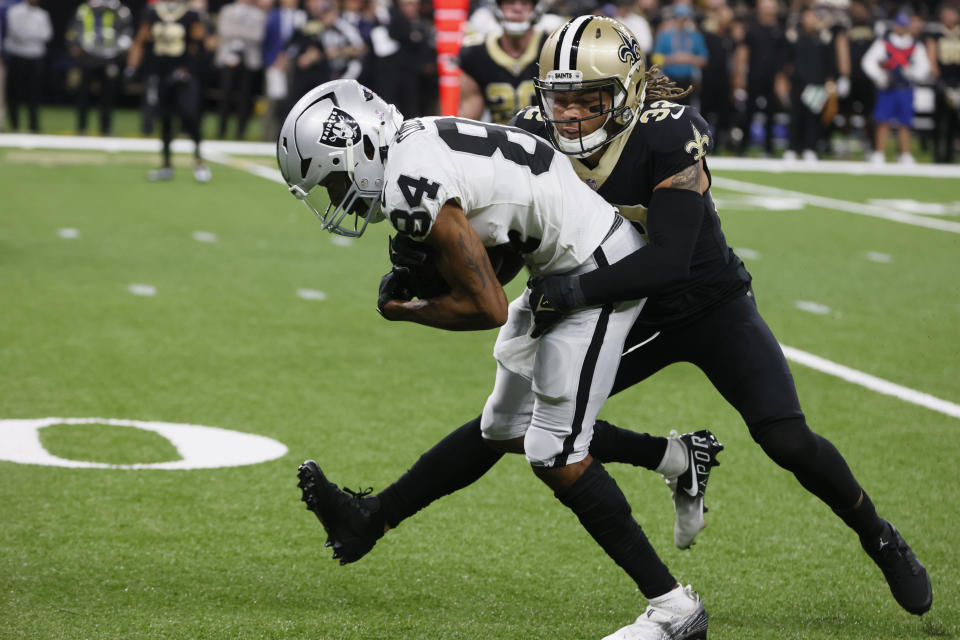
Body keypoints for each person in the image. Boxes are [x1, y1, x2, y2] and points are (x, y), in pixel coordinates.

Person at [288, 13, 934, 628]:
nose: (567, 113)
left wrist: (566, 295)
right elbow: (514, 246)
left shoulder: (668, 128)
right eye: (558, 98)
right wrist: (444, 264)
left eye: (587, 98)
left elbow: (671, 261)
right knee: (510, 425)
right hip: (607, 299)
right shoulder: (535, 130)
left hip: (702, 301)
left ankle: (879, 536)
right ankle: (378, 517)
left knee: (786, 439)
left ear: (624, 90)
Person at [279, 69, 714, 640]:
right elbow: (509, 225)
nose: (338, 198)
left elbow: (487, 306)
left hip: (597, 269)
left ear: (357, 146)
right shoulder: (417, 137)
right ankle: (371, 520)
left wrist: (409, 311)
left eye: (333, 182)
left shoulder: (408, 185)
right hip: (561, 259)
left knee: (554, 451)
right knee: (503, 425)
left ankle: (673, 607)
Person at [126, 0, 211, 182]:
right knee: (164, 118)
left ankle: (199, 162)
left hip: (183, 74)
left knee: (190, 116)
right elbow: (141, 40)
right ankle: (166, 165)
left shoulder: (191, 15)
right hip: (161, 72)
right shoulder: (152, 13)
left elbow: (199, 45)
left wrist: (187, 68)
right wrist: (132, 65)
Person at [457, 0, 548, 123]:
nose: (517, 9)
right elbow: (469, 120)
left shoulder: (552, 46)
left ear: (536, 7)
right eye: (509, 2)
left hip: (546, 139)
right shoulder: (476, 53)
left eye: (525, 3)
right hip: (499, 140)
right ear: (496, 5)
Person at [861, 11, 930, 164]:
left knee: (905, 122)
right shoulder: (884, 43)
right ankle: (879, 152)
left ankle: (905, 153)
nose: (900, 28)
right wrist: (880, 76)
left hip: (905, 88)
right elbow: (868, 62)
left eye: (903, 26)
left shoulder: (915, 45)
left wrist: (913, 73)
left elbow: (924, 67)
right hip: (887, 88)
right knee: (883, 121)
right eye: (898, 25)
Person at [66, 0, 134, 136]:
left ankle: (106, 128)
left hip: (109, 57)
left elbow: (127, 30)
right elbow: (73, 29)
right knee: (83, 94)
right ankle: (81, 127)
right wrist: (72, 44)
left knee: (107, 96)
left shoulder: (118, 10)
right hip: (88, 57)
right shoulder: (84, 9)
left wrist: (120, 48)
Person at [734, 0, 788, 156]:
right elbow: (743, 51)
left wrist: (781, 78)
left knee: (771, 112)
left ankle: (769, 147)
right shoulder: (752, 28)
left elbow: (784, 55)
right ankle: (743, 146)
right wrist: (740, 74)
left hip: (773, 77)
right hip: (754, 76)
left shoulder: (780, 28)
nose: (768, 8)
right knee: (749, 110)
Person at [782, 8, 836, 161]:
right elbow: (787, 60)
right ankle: (793, 147)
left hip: (816, 84)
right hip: (798, 82)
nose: (810, 20)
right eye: (807, 17)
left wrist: (830, 81)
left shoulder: (824, 39)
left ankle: (810, 147)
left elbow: (830, 62)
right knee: (795, 116)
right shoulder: (795, 37)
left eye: (813, 17)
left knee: (812, 117)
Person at [214, 0, 267, 140]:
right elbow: (223, 31)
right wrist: (243, 32)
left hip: (249, 60)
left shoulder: (258, 14)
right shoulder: (227, 10)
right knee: (225, 95)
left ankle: (240, 132)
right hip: (228, 58)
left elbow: (258, 36)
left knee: (245, 97)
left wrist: (237, 31)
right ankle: (221, 131)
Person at [3, 0, 50, 133]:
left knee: (34, 93)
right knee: (14, 92)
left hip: (35, 57)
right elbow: (16, 33)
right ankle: (14, 125)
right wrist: (34, 36)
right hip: (17, 56)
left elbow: (47, 34)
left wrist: (31, 36)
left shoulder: (43, 14)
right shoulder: (14, 11)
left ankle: (34, 126)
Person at [651, 3, 707, 107]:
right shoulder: (664, 35)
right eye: (679, 18)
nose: (682, 21)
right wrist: (673, 59)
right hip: (669, 80)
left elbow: (704, 59)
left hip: (689, 81)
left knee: (688, 109)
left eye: (685, 18)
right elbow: (655, 58)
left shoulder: (695, 36)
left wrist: (688, 59)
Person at [926, 4, 960, 163]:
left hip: (958, 84)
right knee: (941, 122)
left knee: (955, 123)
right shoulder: (936, 35)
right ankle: (939, 157)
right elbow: (932, 59)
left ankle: (951, 157)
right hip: (943, 84)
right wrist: (942, 84)